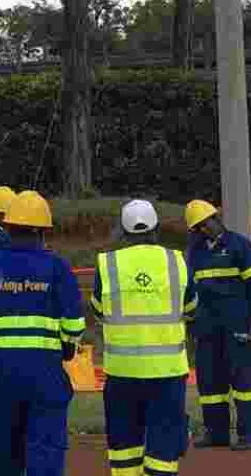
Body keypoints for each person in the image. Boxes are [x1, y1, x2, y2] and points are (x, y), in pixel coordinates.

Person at [0, 190, 85, 476]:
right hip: (45, 375)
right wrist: (67, 348)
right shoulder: (57, 267)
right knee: (45, 453)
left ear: (7, 227)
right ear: (43, 231)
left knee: (1, 455)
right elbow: (73, 322)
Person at [91, 199, 198, 476]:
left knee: (124, 447)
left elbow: (98, 311)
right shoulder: (177, 261)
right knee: (164, 446)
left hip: (122, 372)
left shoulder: (108, 263)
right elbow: (191, 308)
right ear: (156, 228)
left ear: (123, 230)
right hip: (167, 372)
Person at [183, 199, 251, 450]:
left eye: (205, 224)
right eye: (198, 228)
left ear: (216, 218)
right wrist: (192, 326)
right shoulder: (195, 251)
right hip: (206, 327)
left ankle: (247, 434)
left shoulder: (239, 245)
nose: (204, 230)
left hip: (237, 325)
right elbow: (189, 290)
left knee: (243, 381)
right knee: (210, 382)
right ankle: (216, 433)